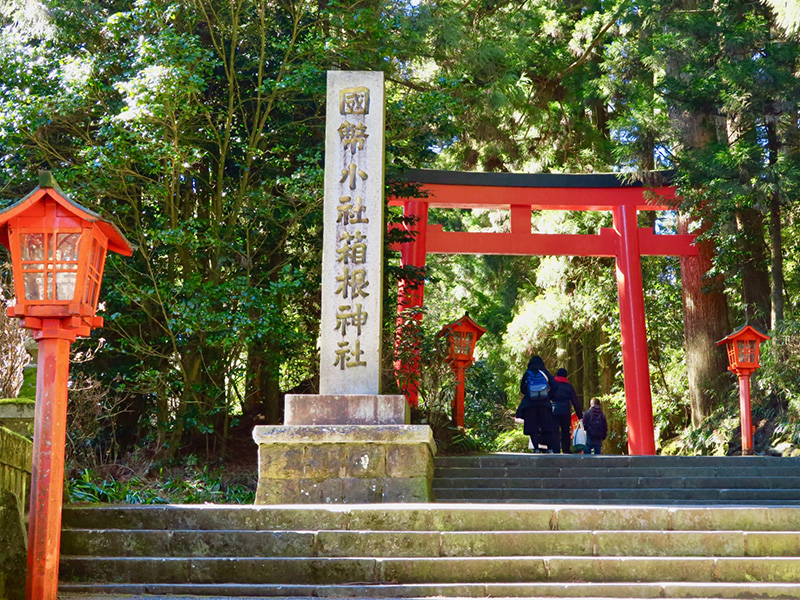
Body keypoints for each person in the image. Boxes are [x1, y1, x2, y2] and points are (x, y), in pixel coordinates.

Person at [516, 355, 557, 453]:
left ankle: (536, 448)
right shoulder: (545, 373)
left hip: (530, 405)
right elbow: (555, 385)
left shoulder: (527, 373)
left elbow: (522, 388)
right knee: (547, 426)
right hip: (544, 404)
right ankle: (549, 448)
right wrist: (548, 396)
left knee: (532, 427)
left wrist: (530, 394)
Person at [551, 368, 583, 453]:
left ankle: (556, 449)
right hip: (565, 411)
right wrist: (580, 415)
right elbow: (575, 401)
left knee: (555, 431)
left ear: (557, 375)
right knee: (565, 430)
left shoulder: (553, 385)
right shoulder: (569, 387)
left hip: (554, 410)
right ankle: (566, 450)